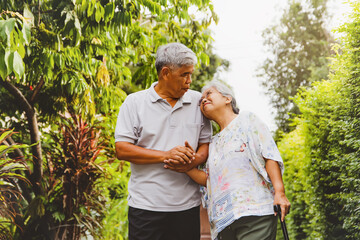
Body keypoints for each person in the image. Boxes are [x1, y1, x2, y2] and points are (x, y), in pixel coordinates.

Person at [165, 80, 291, 240]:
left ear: (227, 98)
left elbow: (269, 155)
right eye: (201, 100)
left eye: (209, 94)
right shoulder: (212, 143)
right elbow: (210, 181)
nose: (203, 99)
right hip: (223, 222)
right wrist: (187, 168)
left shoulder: (247, 120)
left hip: (255, 213)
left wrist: (280, 193)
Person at [114, 42, 212, 240]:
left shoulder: (197, 102)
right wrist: (166, 155)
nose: (190, 81)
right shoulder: (134, 103)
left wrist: (194, 161)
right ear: (165, 73)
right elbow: (122, 149)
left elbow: (205, 144)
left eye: (191, 74)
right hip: (145, 208)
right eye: (184, 75)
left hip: (187, 207)